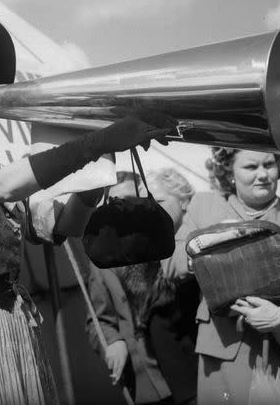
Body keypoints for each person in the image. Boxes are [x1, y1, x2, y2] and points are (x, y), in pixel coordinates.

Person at [0, 10, 172, 405]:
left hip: (13, 327)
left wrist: (100, 163)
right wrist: (96, 142)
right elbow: (4, 186)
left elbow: (62, 225)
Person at [163, 147, 280, 405]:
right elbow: (173, 264)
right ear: (229, 172)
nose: (263, 174)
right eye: (251, 167)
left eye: (269, 164)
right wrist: (212, 245)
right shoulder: (205, 205)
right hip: (223, 352)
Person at [86, 168, 198, 405]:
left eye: (129, 200)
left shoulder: (164, 240)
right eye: (114, 202)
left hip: (190, 369)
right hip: (146, 378)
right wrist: (113, 341)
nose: (122, 209)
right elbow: (98, 321)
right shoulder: (102, 258)